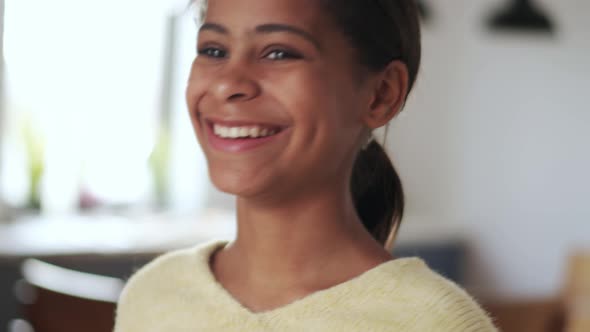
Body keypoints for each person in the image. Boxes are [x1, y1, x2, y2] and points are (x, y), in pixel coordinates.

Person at [114, 0, 498, 330]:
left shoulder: (435, 324)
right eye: (214, 50)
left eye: (279, 52)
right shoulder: (151, 297)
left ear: (381, 95)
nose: (227, 84)